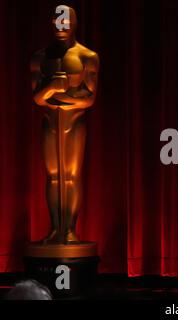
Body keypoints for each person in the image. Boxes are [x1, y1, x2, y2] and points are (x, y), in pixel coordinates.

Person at [30, 5, 99, 244]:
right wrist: (50, 88)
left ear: (74, 23)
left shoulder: (87, 56)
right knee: (53, 177)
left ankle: (69, 229)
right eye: (58, 22)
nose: (62, 27)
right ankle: (54, 229)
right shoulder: (40, 57)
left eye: (66, 22)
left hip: (74, 122)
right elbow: (37, 97)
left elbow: (89, 98)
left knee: (71, 176)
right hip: (50, 122)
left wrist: (64, 96)